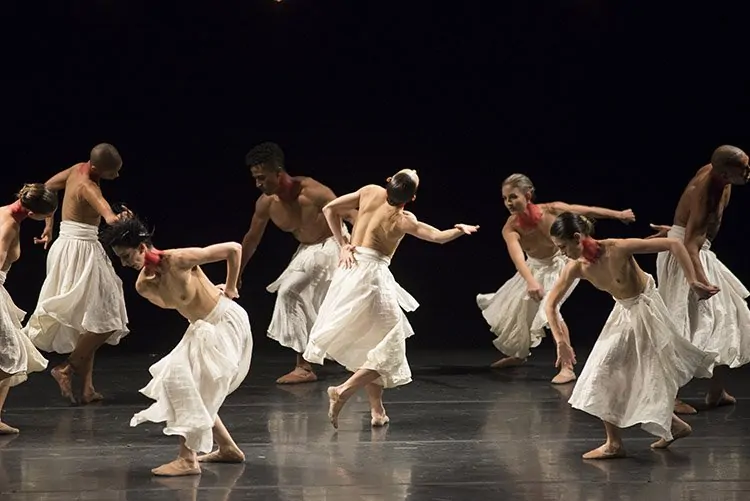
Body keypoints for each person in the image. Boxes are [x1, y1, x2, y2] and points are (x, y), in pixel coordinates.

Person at [302, 169, 479, 429]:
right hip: (372, 279)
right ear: (412, 198)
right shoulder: (403, 218)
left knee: (373, 343)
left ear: (388, 183)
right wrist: (459, 230)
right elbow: (436, 237)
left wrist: (343, 244)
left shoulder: (369, 191)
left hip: (348, 274)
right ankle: (344, 390)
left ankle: (377, 411)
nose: (417, 169)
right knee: (392, 347)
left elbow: (330, 209)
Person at [545, 212, 720, 459]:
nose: (562, 253)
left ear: (577, 237)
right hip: (624, 310)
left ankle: (621, 441)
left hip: (646, 307)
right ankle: (668, 427)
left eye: (563, 247)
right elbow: (550, 304)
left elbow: (673, 243)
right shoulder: (576, 268)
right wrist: (561, 342)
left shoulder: (617, 248)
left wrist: (693, 281)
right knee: (607, 372)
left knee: (624, 370)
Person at [100, 215, 252, 477]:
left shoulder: (179, 259)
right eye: (121, 259)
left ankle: (188, 459)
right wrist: (154, 281)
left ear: (142, 248)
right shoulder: (143, 284)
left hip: (224, 322)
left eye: (127, 257)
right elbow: (176, 304)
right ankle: (227, 448)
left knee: (193, 387)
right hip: (200, 328)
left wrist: (229, 288)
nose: (125, 264)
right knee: (180, 383)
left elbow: (233, 249)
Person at [476, 173, 636, 384]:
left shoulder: (551, 210)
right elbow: (518, 259)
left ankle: (567, 366)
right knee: (517, 311)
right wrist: (531, 281)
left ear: (528, 194)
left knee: (549, 308)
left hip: (562, 263)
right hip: (534, 269)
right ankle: (520, 354)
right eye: (505, 199)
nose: (509, 203)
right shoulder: (511, 227)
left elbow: (586, 211)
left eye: (513, 197)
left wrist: (619, 214)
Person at [240, 142, 356, 385]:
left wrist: (360, 248)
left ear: (278, 171)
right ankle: (305, 365)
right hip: (307, 250)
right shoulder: (266, 203)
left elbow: (351, 215)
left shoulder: (314, 192)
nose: (259, 184)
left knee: (326, 300)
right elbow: (252, 239)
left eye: (263, 177)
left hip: (335, 244)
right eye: (255, 179)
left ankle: (343, 357)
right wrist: (237, 273)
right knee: (291, 294)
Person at [23, 143, 131, 405]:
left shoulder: (77, 170)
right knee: (107, 317)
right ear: (96, 168)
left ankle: (87, 389)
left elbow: (47, 188)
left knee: (89, 319)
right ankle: (66, 369)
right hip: (80, 250)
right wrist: (126, 219)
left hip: (68, 245)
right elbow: (110, 219)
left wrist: (49, 224)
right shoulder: (88, 186)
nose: (115, 177)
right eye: (111, 173)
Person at [647, 145, 750, 415]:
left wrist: (676, 228)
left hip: (692, 246)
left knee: (724, 318)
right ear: (726, 173)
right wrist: (700, 283)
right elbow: (691, 243)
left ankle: (716, 391)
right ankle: (668, 396)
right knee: (684, 325)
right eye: (744, 170)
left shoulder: (718, 176)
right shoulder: (706, 194)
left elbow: (688, 224)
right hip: (687, 255)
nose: (749, 173)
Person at [0, 184, 58, 433]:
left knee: (12, 351)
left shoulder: (6, 211)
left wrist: (48, 228)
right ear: (35, 213)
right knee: (12, 356)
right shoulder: (10, 225)